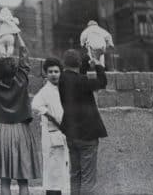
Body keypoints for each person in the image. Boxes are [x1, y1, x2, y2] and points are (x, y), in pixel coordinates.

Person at [0, 31, 42, 195]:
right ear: (16, 70)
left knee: (5, 180)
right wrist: (18, 36)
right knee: (23, 181)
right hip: (21, 130)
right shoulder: (22, 80)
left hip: (2, 131)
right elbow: (25, 60)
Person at [58, 49, 108, 195]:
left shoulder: (61, 79)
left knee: (75, 175)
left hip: (71, 134)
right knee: (88, 179)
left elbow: (77, 75)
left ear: (64, 63)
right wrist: (97, 65)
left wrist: (85, 64)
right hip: (87, 135)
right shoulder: (82, 81)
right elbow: (102, 82)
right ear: (79, 64)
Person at [32, 57, 70, 195]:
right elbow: (35, 105)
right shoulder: (45, 91)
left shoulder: (62, 89)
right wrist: (51, 117)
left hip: (64, 134)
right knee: (52, 172)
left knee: (62, 171)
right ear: (46, 74)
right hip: (51, 135)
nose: (54, 74)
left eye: (56, 71)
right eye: (50, 72)